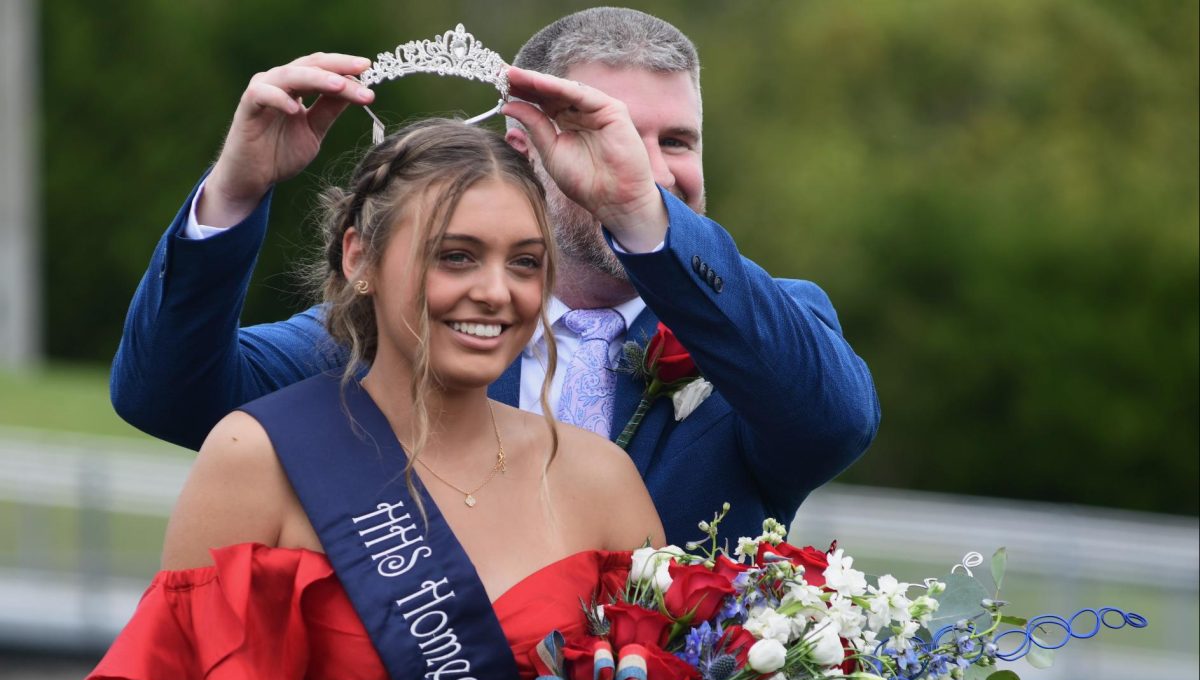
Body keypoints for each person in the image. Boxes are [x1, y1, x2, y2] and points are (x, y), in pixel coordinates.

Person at [63, 120, 719, 680]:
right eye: (456, 256)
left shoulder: (598, 479)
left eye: (525, 262)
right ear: (358, 259)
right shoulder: (261, 458)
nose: (496, 291)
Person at [109, 8, 880, 550]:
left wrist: (645, 220)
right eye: (605, 131)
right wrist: (237, 191)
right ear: (523, 145)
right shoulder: (400, 335)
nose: (644, 164)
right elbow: (168, 395)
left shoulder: (758, 329)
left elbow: (834, 422)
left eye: (675, 141)